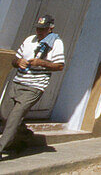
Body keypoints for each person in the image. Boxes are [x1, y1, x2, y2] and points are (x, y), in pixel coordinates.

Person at [0, 15, 65, 158]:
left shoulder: (56, 43)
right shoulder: (29, 40)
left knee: (15, 117)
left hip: (34, 86)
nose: (39, 31)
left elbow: (59, 66)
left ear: (50, 28)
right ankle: (24, 136)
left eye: (43, 29)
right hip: (18, 82)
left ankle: (1, 147)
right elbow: (14, 59)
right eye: (38, 28)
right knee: (4, 115)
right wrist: (18, 62)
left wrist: (41, 63)